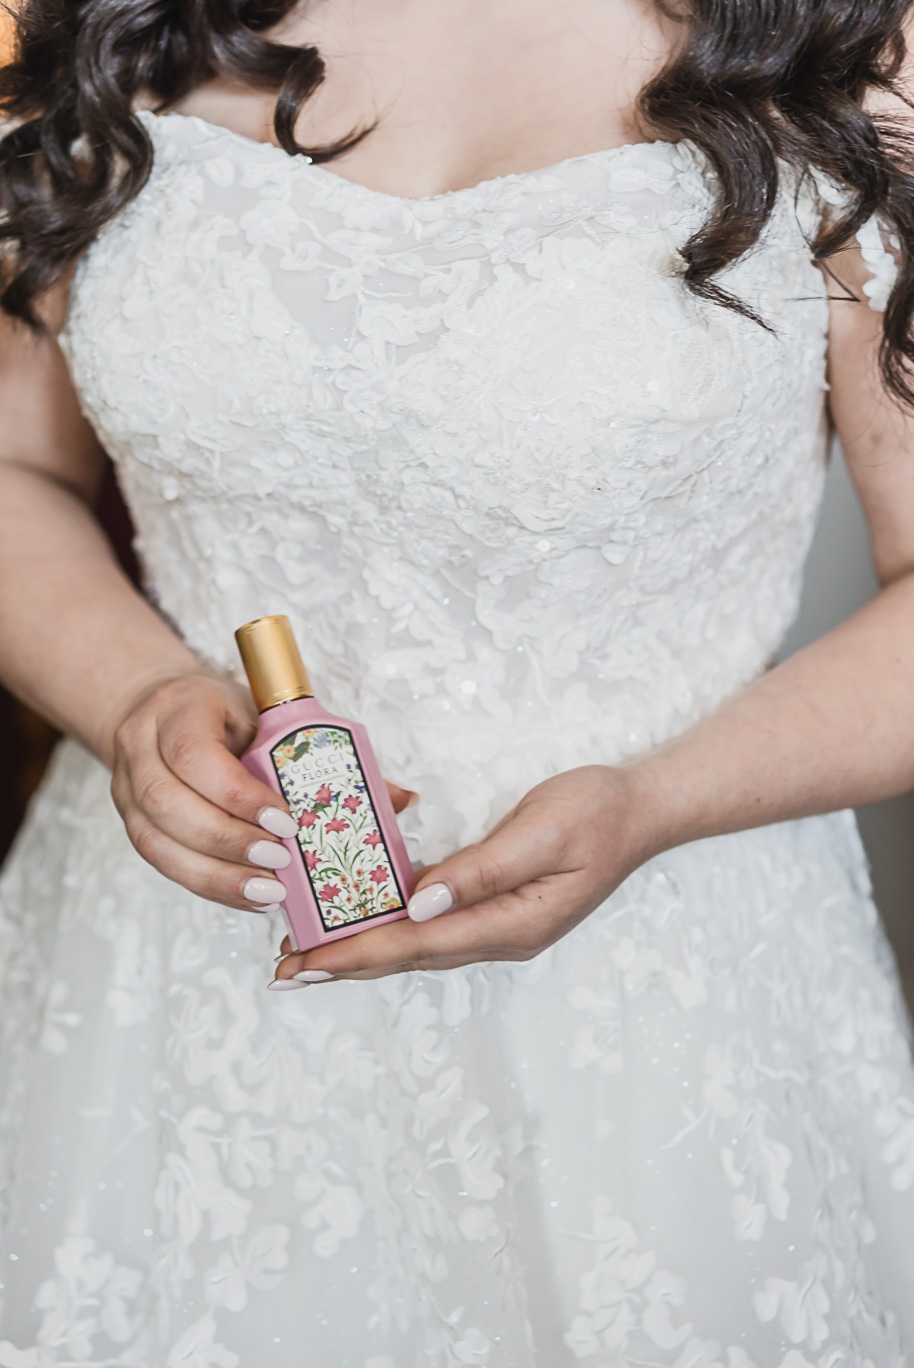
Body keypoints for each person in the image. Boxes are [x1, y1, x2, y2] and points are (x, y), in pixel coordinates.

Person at [0, 0, 913, 1361]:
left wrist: (655, 803)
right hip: (179, 936)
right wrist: (131, 699)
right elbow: (13, 469)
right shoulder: (109, 21)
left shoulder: (857, 44)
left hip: (662, 979)